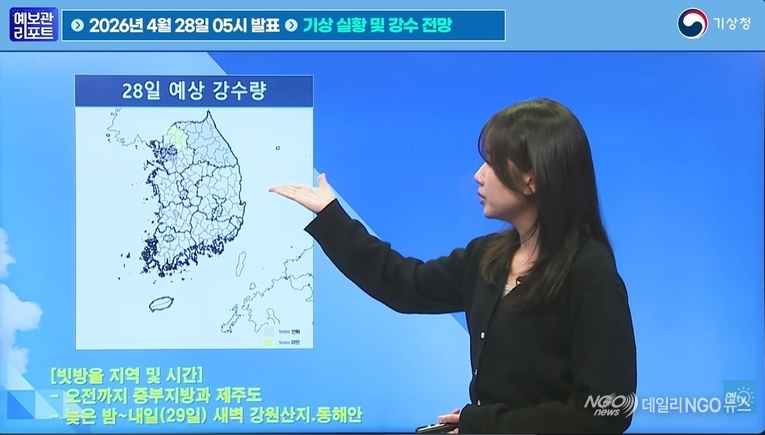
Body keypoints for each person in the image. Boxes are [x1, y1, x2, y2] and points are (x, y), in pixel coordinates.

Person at [269, 98, 637, 434]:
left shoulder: (590, 274)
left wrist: (485, 427)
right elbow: (404, 284)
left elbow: (607, 411)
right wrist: (332, 218)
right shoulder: (487, 257)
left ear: (531, 179)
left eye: (492, 163)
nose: (479, 175)